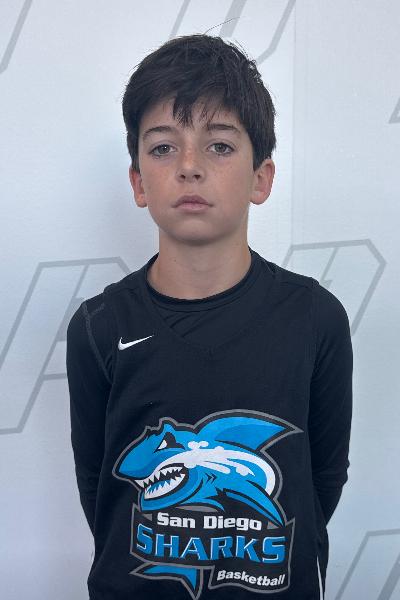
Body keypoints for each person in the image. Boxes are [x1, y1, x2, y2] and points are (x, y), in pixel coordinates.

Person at [66, 34, 352, 600]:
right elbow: (100, 488)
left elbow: (321, 480)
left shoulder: (315, 318)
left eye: (219, 146)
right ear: (137, 182)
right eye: (163, 147)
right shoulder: (99, 327)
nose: (189, 166)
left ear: (261, 177)